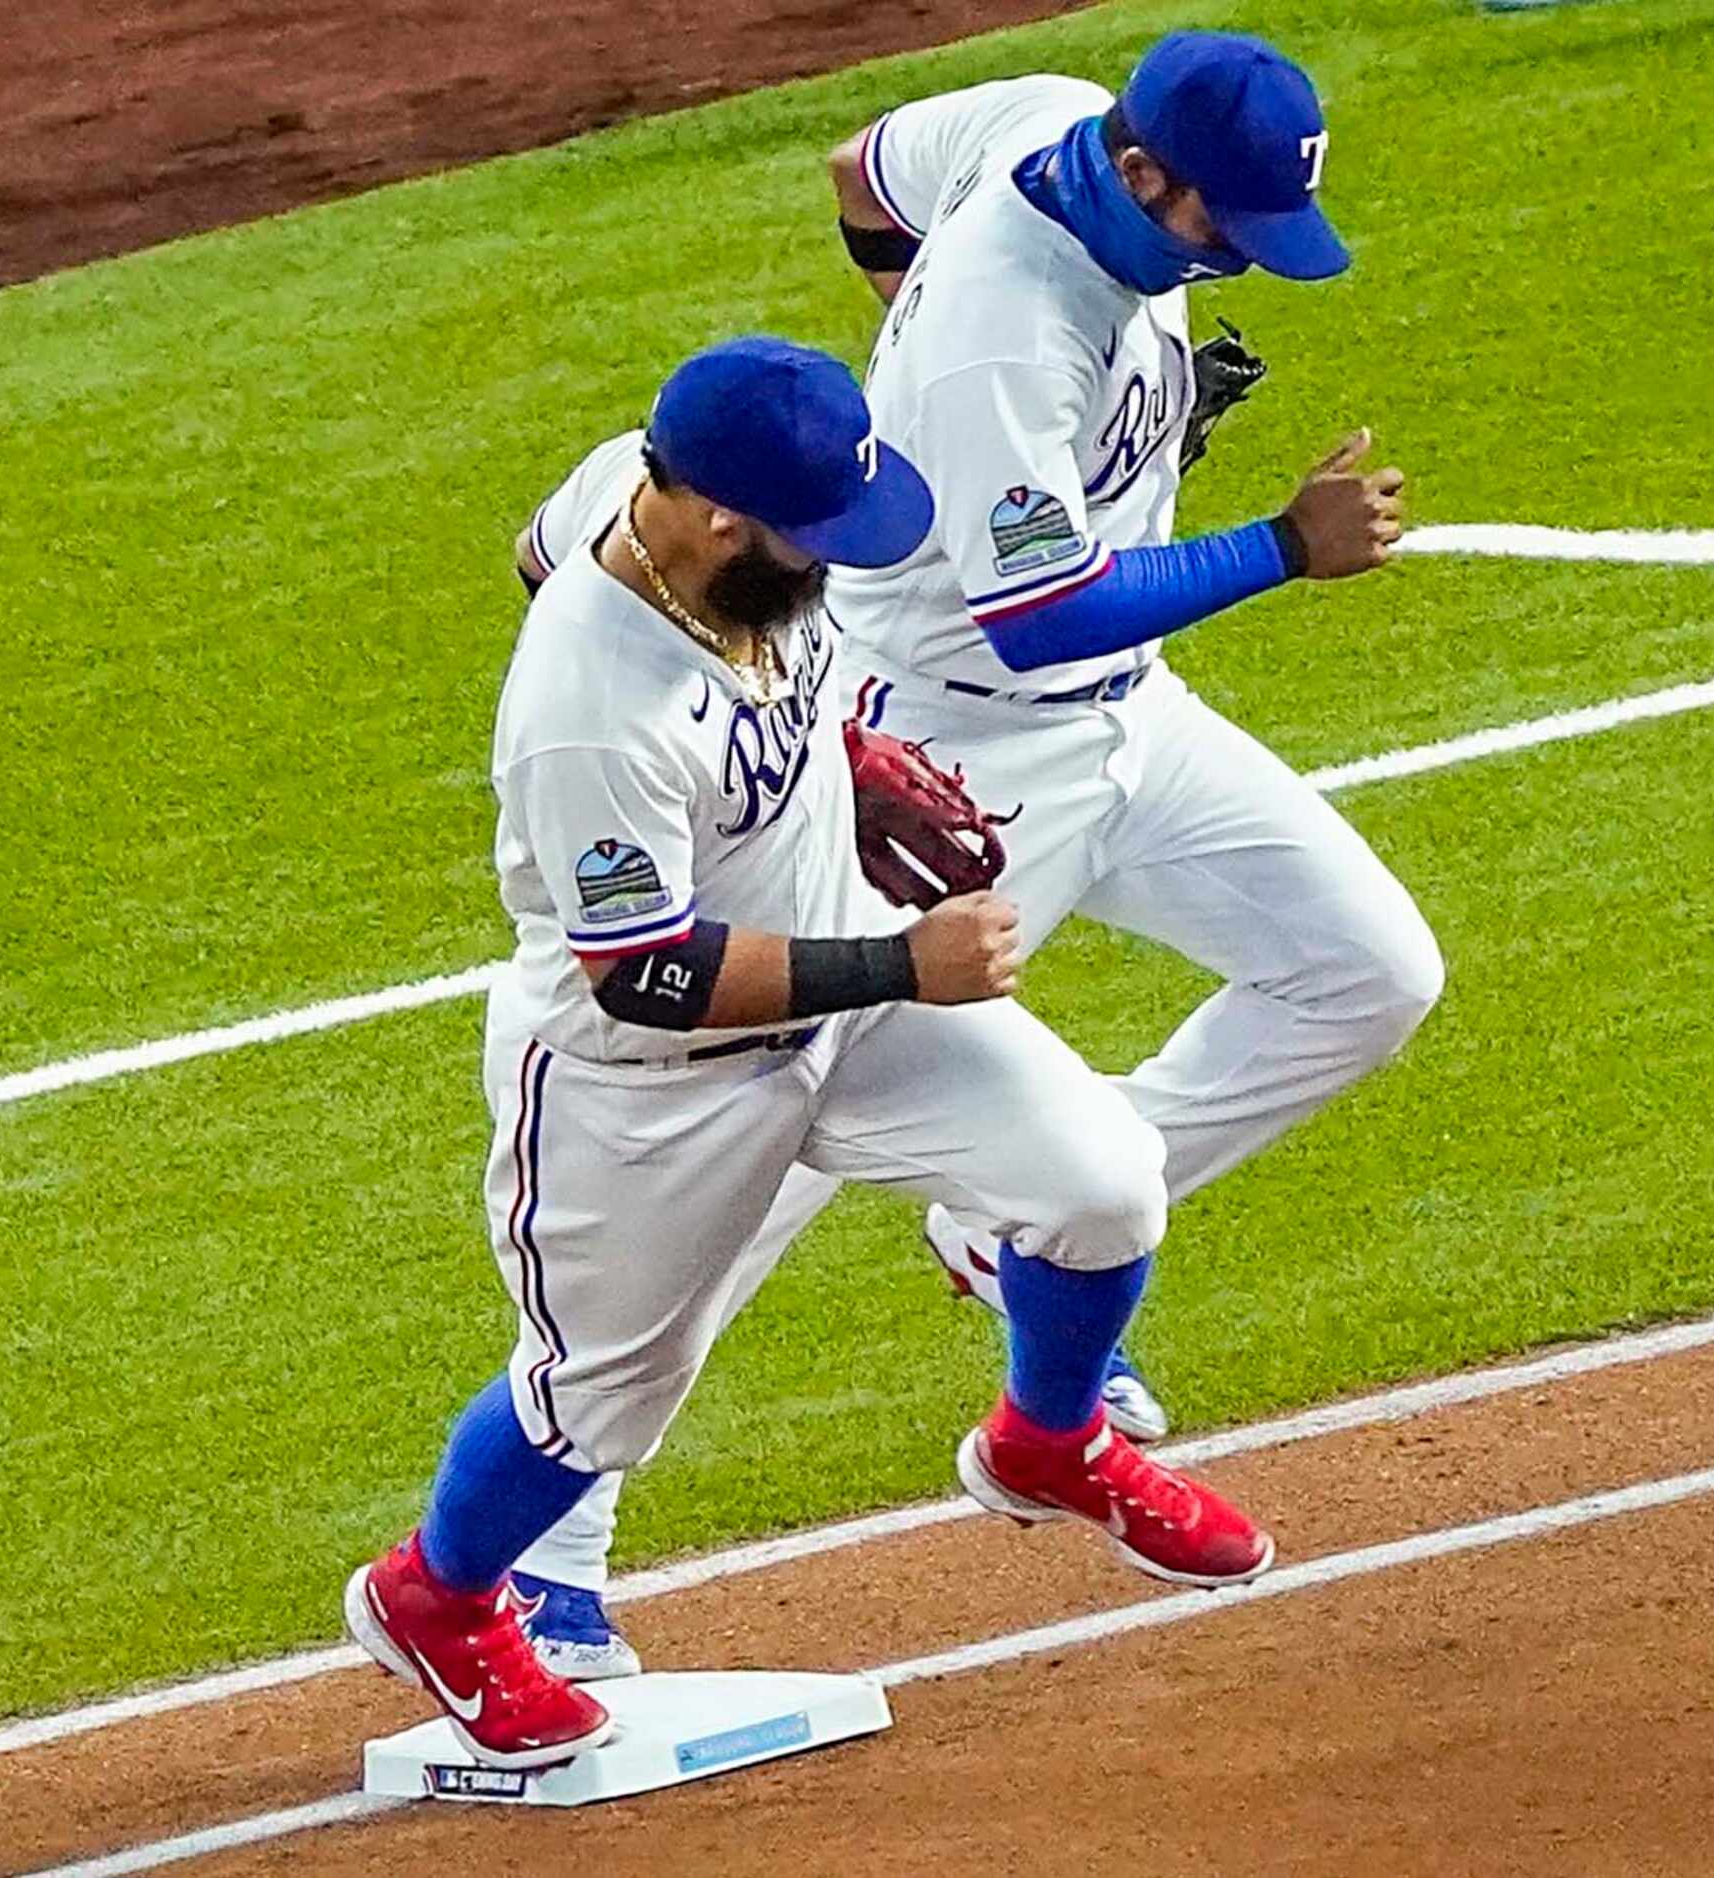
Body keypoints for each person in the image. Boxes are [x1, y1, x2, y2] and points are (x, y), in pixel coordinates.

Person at [504, 29, 1441, 1686]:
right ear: (1145, 178)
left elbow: (866, 173)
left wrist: (1061, 450)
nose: (1235, 261)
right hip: (957, 743)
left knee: (1369, 971)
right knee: (761, 1133)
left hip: (1127, 720)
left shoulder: (1048, 118)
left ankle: (1022, 1239)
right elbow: (1039, 606)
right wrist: (1280, 547)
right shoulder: (1010, 334)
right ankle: (552, 1557)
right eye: (1223, 229)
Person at [343, 336, 1271, 1768]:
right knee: (589, 1399)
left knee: (1105, 1186)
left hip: (847, 1014)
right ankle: (436, 1597)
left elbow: (557, 554)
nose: (842, 557)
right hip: (651, 1086)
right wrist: (908, 960)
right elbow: (648, 972)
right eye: (815, 534)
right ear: (720, 523)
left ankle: (1048, 1439)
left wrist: (854, 758)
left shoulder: (647, 499)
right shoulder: (591, 714)